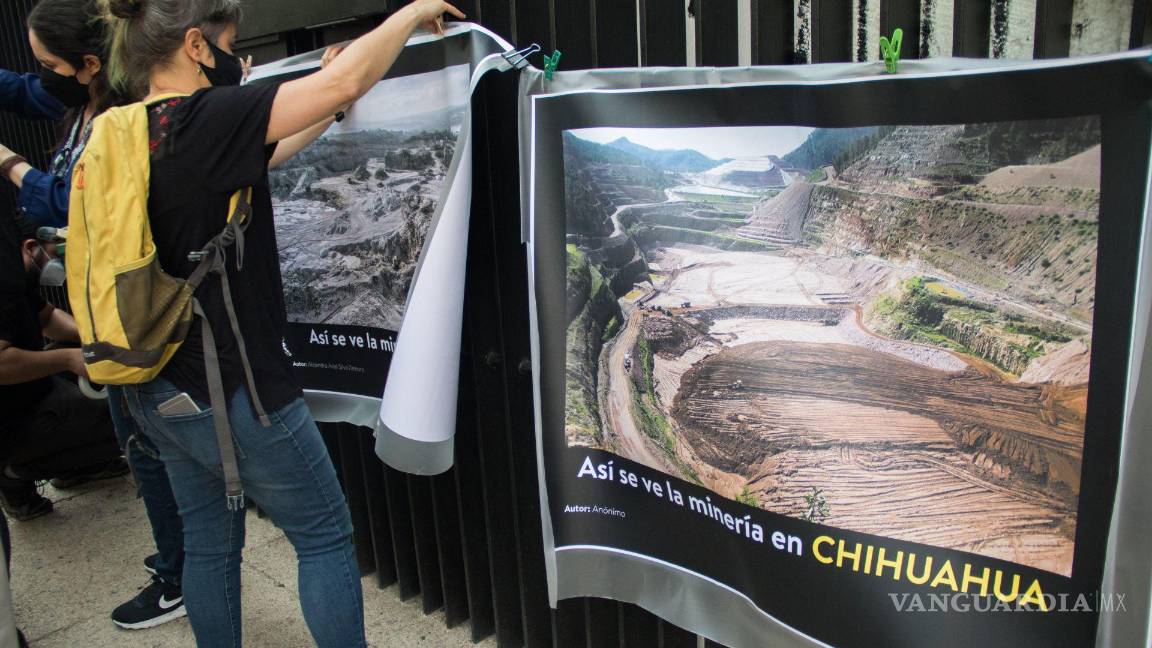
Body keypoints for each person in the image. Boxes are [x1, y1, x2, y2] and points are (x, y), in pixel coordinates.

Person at [100, 0, 463, 644]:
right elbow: (344, 81)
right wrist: (410, 13)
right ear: (194, 45)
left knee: (209, 544)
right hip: (235, 386)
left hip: (156, 383)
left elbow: (262, 156)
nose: (234, 61)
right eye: (229, 46)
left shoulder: (129, 131)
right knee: (324, 535)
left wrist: (328, 111)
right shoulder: (206, 117)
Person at [0, 0, 188, 630]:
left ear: (87, 64)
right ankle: (180, 560)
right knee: (144, 447)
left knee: (150, 448)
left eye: (48, 64)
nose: (39, 77)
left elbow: (71, 194)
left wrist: (7, 163)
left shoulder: (118, 117)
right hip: (103, 314)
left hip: (131, 315)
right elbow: (21, 92)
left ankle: (179, 573)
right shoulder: (75, 102)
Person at [0, 216, 127, 511]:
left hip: (34, 393)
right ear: (29, 246)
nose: (54, 261)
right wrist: (69, 359)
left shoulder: (18, 278)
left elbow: (46, 318)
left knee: (83, 355)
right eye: (51, 252)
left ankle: (74, 467)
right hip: (11, 419)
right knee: (120, 419)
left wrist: (91, 338)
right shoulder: (4, 286)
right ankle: (12, 475)